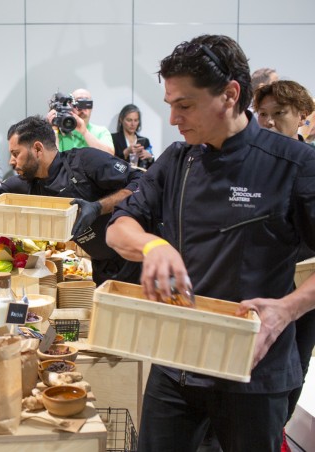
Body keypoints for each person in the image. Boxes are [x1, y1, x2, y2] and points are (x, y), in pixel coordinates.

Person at [106, 34, 315, 451]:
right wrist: (153, 246)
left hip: (253, 371)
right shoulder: (179, 160)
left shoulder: (294, 165)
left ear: (230, 94)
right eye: (169, 105)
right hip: (176, 364)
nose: (172, 120)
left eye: (184, 105)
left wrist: (287, 310)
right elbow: (118, 227)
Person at [0, 115, 142, 285]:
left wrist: (97, 207)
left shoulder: (85, 161)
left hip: (136, 258)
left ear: (37, 149)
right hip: (103, 265)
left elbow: (140, 182)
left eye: (16, 153)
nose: (11, 161)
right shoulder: (27, 184)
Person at [253, 79, 315, 437]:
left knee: (296, 365)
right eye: (263, 114)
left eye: (280, 113)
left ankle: (276, 433)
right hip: (261, 285)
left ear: (302, 116)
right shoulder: (250, 165)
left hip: (305, 289)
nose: (270, 122)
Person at [47, 88, 115, 155]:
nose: (83, 108)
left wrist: (85, 132)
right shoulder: (58, 130)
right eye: (79, 102)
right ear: (70, 105)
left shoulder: (101, 131)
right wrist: (54, 130)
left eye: (87, 103)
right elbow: (50, 160)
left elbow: (110, 155)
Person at [111, 104, 153, 169]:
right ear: (121, 120)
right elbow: (110, 163)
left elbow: (151, 169)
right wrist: (126, 152)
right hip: (120, 178)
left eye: (136, 120)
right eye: (129, 120)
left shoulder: (145, 141)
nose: (133, 124)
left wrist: (150, 158)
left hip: (140, 178)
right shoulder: (113, 138)